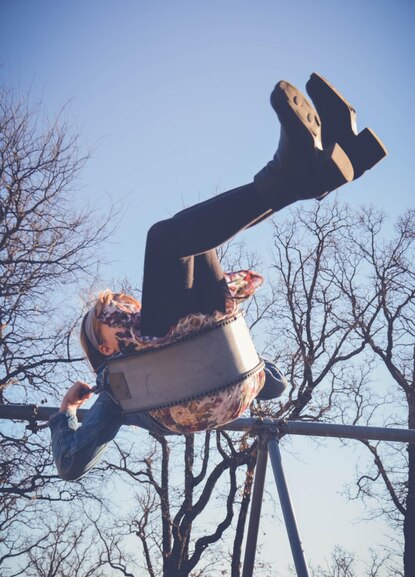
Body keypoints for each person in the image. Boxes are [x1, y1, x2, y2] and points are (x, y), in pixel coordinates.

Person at [49, 74, 387, 480]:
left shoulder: (171, 330)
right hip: (177, 405)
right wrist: (68, 412)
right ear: (103, 348)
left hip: (225, 381)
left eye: (122, 304)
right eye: (108, 316)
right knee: (163, 238)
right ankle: (297, 176)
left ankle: (316, 173)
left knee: (195, 241)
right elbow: (71, 464)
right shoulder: (117, 384)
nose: (120, 309)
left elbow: (274, 385)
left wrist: (242, 366)